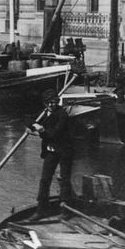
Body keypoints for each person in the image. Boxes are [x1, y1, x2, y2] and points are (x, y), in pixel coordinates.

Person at [29, 88, 75, 217]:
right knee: (45, 180)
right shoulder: (44, 112)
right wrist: (33, 125)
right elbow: (29, 120)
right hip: (51, 151)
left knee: (64, 179)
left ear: (57, 101)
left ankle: (66, 210)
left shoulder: (62, 115)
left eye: (54, 102)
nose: (51, 105)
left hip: (65, 150)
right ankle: (41, 209)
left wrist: (39, 131)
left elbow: (53, 134)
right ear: (44, 103)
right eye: (48, 103)